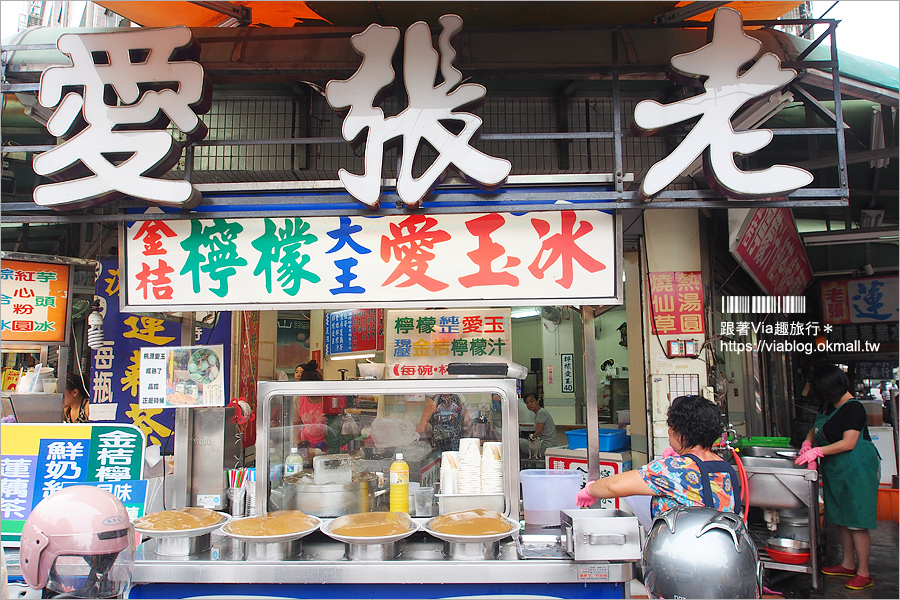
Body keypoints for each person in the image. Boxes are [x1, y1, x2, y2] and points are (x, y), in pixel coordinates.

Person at [575, 395, 741, 518]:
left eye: (671, 426)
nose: (669, 431)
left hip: (683, 558)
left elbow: (614, 485)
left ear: (681, 433)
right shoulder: (725, 467)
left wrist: (590, 489)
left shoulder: (672, 469)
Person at [795, 364, 881, 591]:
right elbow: (816, 428)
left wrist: (818, 452)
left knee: (856, 521)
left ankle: (864, 572)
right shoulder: (829, 405)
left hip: (857, 469)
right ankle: (847, 564)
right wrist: (808, 442)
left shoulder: (854, 409)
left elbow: (849, 442)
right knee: (841, 517)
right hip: (836, 468)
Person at [293, 360, 327, 451]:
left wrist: (325, 442)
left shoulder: (328, 398)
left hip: (329, 446)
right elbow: (295, 425)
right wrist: (299, 443)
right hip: (307, 446)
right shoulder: (298, 399)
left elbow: (337, 427)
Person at [518, 392, 556, 458]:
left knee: (517, 441)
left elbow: (538, 433)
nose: (529, 404)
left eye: (531, 401)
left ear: (537, 401)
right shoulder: (540, 412)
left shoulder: (541, 413)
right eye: (527, 403)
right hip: (547, 446)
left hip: (544, 447)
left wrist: (529, 438)